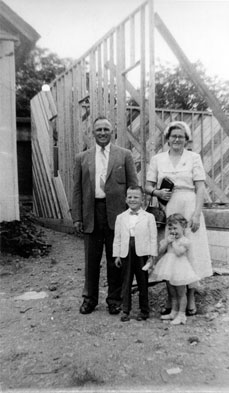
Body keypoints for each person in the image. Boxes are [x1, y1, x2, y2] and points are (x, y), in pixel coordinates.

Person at [72, 116, 138, 315]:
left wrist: (132, 215)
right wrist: (77, 217)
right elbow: (77, 190)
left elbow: (133, 186)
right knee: (91, 260)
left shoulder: (124, 155)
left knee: (115, 258)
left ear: (113, 132)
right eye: (98, 129)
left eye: (106, 129)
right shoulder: (82, 158)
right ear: (93, 133)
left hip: (117, 215)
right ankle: (89, 299)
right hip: (91, 213)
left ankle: (114, 299)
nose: (102, 133)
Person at [145, 120, 213, 316]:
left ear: (186, 140)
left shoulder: (193, 158)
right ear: (167, 139)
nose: (177, 139)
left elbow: (200, 187)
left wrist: (197, 214)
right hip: (169, 207)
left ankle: (190, 297)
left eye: (181, 137)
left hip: (189, 204)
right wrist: (157, 193)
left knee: (190, 250)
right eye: (173, 136)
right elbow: (148, 186)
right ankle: (171, 298)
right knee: (170, 250)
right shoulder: (158, 159)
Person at [113, 186, 158, 322]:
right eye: (130, 197)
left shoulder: (149, 217)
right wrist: (117, 255)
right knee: (126, 281)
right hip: (126, 252)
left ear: (142, 199)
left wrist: (152, 256)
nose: (132, 200)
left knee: (142, 281)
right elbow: (118, 237)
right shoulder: (120, 217)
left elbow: (153, 237)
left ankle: (144, 310)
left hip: (142, 253)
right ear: (126, 199)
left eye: (136, 197)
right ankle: (126, 309)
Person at [151, 214, 199, 325]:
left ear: (183, 227)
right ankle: (174, 311)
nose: (173, 231)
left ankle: (182, 315)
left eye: (175, 228)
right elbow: (161, 251)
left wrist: (173, 242)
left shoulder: (184, 241)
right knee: (172, 292)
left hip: (180, 268)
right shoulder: (169, 239)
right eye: (170, 228)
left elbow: (179, 252)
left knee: (181, 292)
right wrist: (166, 242)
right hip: (168, 266)